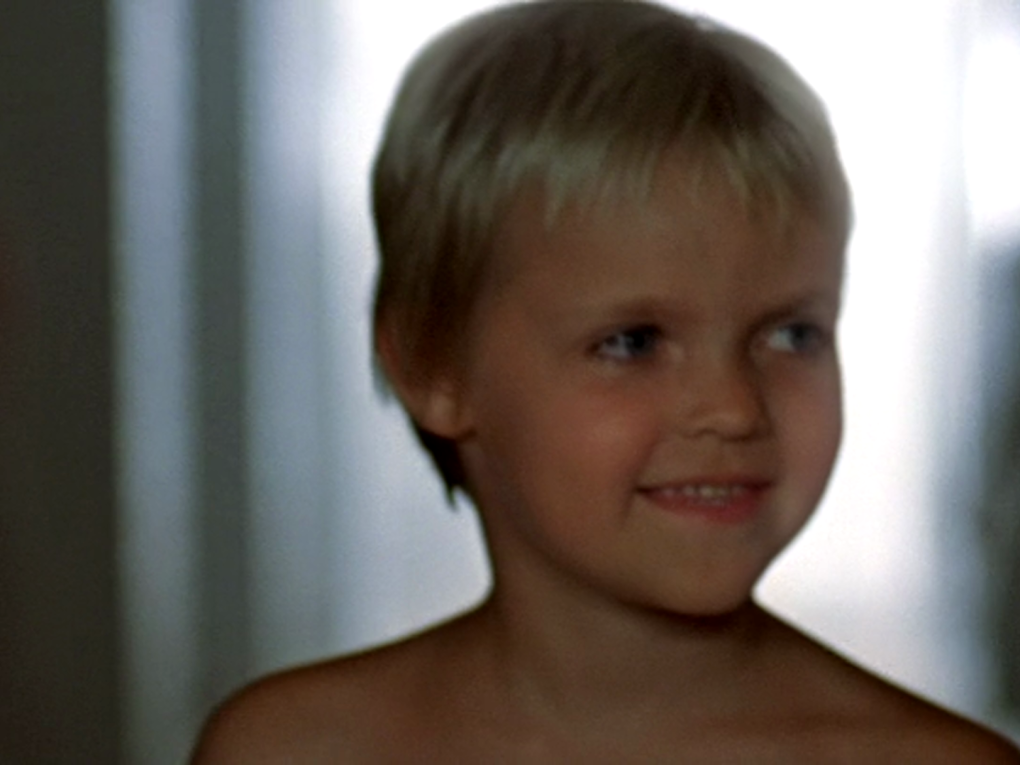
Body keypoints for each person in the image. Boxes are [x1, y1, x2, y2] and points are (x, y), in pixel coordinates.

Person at [191, 1, 1020, 760]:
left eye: (791, 333)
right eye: (634, 341)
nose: (734, 408)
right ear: (432, 365)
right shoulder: (288, 749)